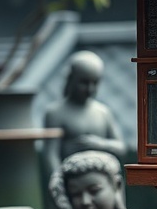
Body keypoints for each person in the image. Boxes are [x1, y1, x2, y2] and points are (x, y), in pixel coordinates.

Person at [42, 51, 126, 183]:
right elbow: (51, 155)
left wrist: (99, 144)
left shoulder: (103, 112)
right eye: (84, 82)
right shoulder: (55, 113)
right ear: (71, 79)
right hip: (72, 182)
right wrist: (58, 183)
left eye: (95, 83)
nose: (90, 89)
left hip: (103, 183)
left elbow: (121, 147)